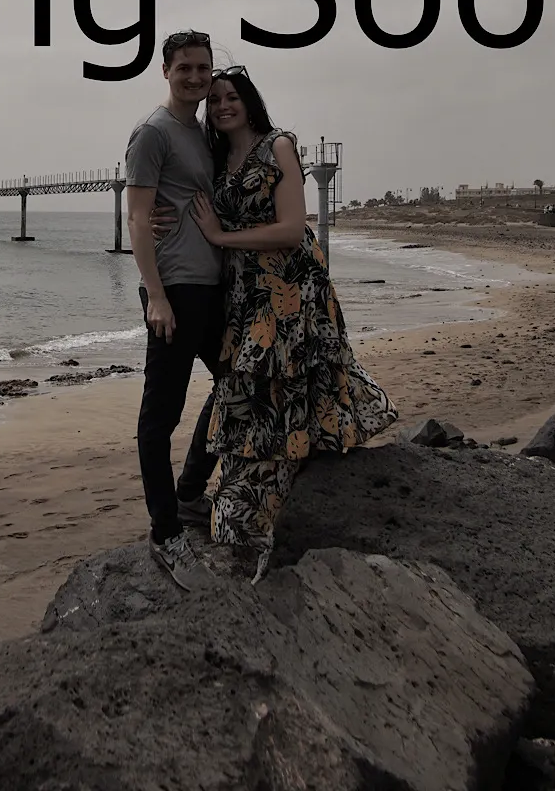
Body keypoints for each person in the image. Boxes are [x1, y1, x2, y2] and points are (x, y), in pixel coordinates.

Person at [187, 66, 398, 582]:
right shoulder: (217, 157)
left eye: (231, 97)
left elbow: (289, 228)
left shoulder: (278, 146)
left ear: (249, 101)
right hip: (245, 289)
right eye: (214, 100)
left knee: (281, 376)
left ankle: (262, 492)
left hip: (289, 284)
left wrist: (220, 238)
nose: (222, 106)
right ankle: (241, 486)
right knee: (252, 382)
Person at [123, 29, 227, 589]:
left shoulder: (203, 134)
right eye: (184, 67)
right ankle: (166, 533)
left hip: (209, 285)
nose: (194, 77)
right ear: (165, 71)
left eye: (202, 68)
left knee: (236, 383)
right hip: (173, 290)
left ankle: (189, 493)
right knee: (160, 416)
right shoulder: (153, 133)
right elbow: (138, 218)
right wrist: (156, 295)